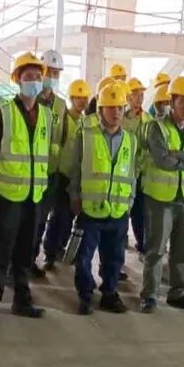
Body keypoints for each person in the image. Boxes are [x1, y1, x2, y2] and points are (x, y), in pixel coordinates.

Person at [0, 52, 52, 324]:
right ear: (17, 80)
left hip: (34, 195)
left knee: (26, 251)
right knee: (1, 249)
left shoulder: (47, 116)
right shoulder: (4, 113)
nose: (34, 81)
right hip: (8, 195)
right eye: (28, 76)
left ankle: (22, 300)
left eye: (37, 76)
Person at [140, 76, 184, 312]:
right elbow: (162, 160)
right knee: (156, 250)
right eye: (183, 101)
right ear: (172, 101)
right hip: (161, 198)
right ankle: (149, 295)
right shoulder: (156, 127)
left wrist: (179, 155)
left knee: (183, 250)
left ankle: (178, 291)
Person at [65, 82, 136, 315]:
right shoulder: (86, 135)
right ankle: (85, 295)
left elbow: (132, 174)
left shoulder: (130, 139)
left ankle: (109, 293)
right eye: (111, 107)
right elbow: (75, 168)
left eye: (120, 108)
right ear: (101, 110)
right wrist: (74, 196)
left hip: (118, 209)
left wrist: (130, 201)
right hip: (90, 208)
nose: (116, 112)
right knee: (83, 257)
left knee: (114, 257)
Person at [42, 78, 90, 271]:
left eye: (84, 98)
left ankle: (62, 248)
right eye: (78, 97)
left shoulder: (86, 123)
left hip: (77, 178)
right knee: (58, 216)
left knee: (70, 216)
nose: (82, 101)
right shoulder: (63, 119)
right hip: (61, 175)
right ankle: (50, 252)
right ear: (71, 98)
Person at [32, 49, 68, 276]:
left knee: (42, 219)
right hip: (29, 171)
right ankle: (21, 261)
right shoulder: (30, 100)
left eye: (56, 73)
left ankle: (31, 259)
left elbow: (63, 135)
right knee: (29, 220)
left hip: (50, 171)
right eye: (49, 72)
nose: (52, 77)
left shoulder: (61, 105)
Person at [123, 78, 152, 254]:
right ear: (128, 97)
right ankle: (121, 240)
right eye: (136, 94)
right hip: (123, 172)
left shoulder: (147, 118)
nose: (140, 98)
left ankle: (142, 244)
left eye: (142, 94)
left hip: (141, 173)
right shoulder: (122, 118)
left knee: (140, 213)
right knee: (122, 210)